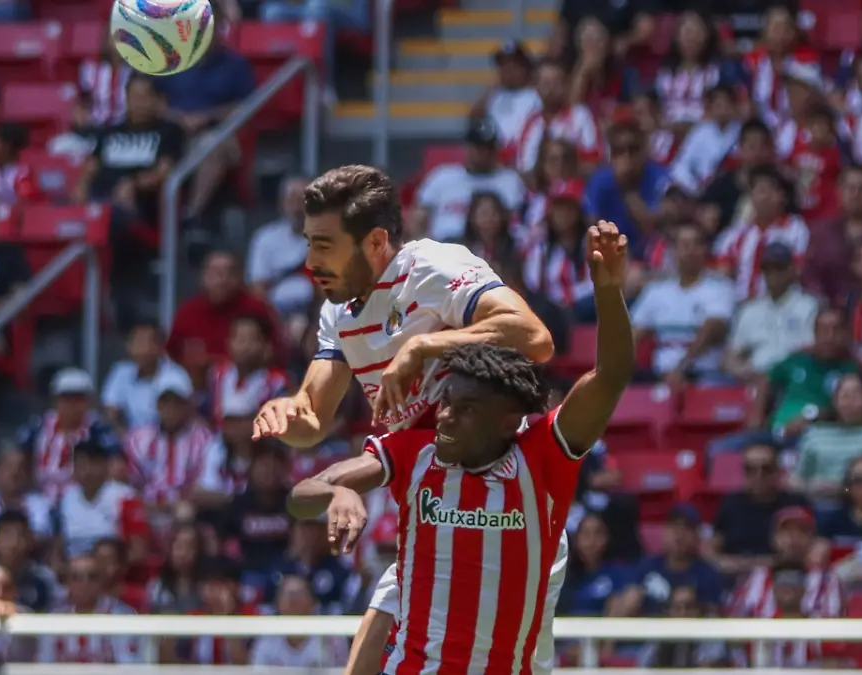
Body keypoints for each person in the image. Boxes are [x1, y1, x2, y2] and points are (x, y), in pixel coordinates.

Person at [289, 223, 633, 673]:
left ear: (509, 420)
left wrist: (607, 291)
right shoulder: (415, 452)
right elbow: (300, 496)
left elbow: (610, 377)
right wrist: (337, 491)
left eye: (465, 409)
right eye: (446, 402)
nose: (445, 417)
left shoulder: (542, 458)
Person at [252, 164, 553, 440]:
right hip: (423, 466)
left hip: (493, 456)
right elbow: (313, 420)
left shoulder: (432, 266)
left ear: (375, 242)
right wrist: (285, 416)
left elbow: (535, 338)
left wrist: (423, 346)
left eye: (326, 247)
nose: (311, 262)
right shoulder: (336, 311)